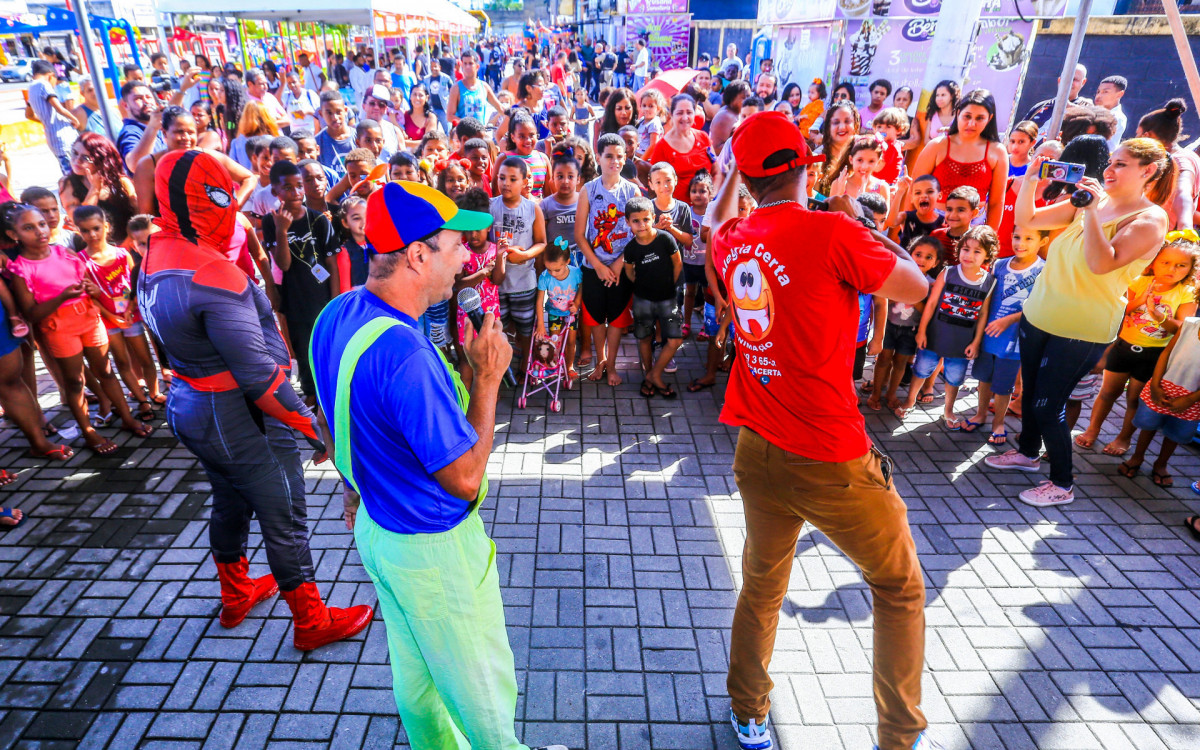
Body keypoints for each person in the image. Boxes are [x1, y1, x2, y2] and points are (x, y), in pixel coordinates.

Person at [308, 180, 568, 750]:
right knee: (483, 695)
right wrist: (489, 378)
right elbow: (466, 479)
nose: (467, 260)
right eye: (455, 246)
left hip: (379, 535)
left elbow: (332, 415)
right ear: (418, 255)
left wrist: (355, 487)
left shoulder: (336, 312)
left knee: (419, 679)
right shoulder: (405, 354)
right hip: (433, 551)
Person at [708, 111, 933, 750]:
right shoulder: (833, 231)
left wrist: (734, 177)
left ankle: (748, 711)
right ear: (807, 164)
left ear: (747, 176)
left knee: (761, 585)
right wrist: (861, 223)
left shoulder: (735, 237)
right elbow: (916, 286)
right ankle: (899, 736)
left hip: (756, 445)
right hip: (829, 454)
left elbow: (717, 220)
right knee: (899, 587)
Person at [138, 148, 371, 648]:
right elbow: (260, 378)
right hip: (240, 416)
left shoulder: (155, 252)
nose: (235, 204)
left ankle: (236, 592)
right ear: (208, 201)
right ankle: (310, 621)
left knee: (230, 501)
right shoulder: (212, 273)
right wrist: (316, 428)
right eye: (223, 195)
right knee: (284, 515)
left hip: (192, 404)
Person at [985, 139, 1174, 507]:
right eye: (1111, 162)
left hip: (1081, 329)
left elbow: (1101, 264)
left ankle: (1062, 483)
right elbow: (1029, 220)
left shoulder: (1149, 219)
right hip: (1039, 315)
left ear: (1148, 171)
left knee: (1047, 404)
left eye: (1121, 164)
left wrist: (1090, 213)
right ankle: (1027, 454)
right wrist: (1030, 181)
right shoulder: (1094, 200)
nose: (1109, 170)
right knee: (1031, 393)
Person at [1074, 238, 1198, 455]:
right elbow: (1118, 312)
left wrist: (1158, 316)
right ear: (1153, 261)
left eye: (1181, 265)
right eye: (1166, 262)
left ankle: (1123, 438)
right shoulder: (1138, 281)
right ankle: (1092, 429)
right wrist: (1140, 301)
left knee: (1134, 399)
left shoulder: (1187, 292)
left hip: (1155, 354)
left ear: (1190, 268)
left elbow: (1182, 328)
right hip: (1123, 347)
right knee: (1107, 392)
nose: (1172, 269)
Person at [905, 225, 999, 428]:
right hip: (934, 336)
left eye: (977, 251)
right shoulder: (948, 273)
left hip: (961, 343)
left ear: (987, 255)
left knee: (954, 378)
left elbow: (983, 314)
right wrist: (922, 331)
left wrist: (976, 342)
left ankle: (948, 410)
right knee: (921, 369)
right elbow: (931, 304)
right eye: (966, 249)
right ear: (959, 249)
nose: (969, 255)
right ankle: (909, 401)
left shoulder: (989, 282)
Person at [967, 227, 1047, 443]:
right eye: (1017, 237)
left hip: (1015, 340)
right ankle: (980, 414)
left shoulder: (1044, 270)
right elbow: (987, 298)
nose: (1021, 243)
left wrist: (1009, 319)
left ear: (1043, 241)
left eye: (1029, 238)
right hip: (989, 335)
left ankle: (998, 423)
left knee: (1003, 386)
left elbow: (1041, 306)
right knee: (984, 378)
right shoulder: (999, 265)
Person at [575, 133, 639, 386]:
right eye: (609, 156)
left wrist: (618, 264)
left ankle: (611, 365)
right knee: (595, 317)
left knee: (616, 319)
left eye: (620, 156)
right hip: (594, 268)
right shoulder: (588, 190)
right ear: (599, 157)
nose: (615, 161)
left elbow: (638, 232)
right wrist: (599, 266)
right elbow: (580, 236)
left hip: (622, 268)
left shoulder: (631, 190)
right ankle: (600, 361)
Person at [869, 236, 941, 412]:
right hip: (889, 325)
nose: (922, 260)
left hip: (911, 330)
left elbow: (927, 311)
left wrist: (914, 298)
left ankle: (891, 394)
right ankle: (875, 394)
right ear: (909, 254)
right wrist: (905, 294)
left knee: (900, 363)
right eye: (918, 254)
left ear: (936, 263)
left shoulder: (932, 285)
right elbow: (884, 298)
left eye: (929, 257)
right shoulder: (898, 274)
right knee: (883, 359)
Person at [491, 156, 547, 374]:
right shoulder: (490, 206)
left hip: (524, 282)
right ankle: (501, 367)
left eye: (513, 179)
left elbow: (541, 242)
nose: (506, 183)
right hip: (496, 284)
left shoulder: (533, 209)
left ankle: (525, 364)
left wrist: (524, 255)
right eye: (502, 178)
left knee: (525, 328)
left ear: (525, 182)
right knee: (499, 327)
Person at [622, 195, 683, 397]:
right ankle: (649, 374)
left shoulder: (665, 239)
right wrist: (642, 286)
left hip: (667, 298)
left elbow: (677, 264)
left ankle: (653, 376)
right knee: (645, 338)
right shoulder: (631, 248)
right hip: (643, 300)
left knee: (674, 340)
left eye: (646, 219)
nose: (642, 225)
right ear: (628, 222)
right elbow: (629, 272)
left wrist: (669, 286)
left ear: (653, 218)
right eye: (636, 221)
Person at [1137, 99, 1199, 231]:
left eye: (1137, 135)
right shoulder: (1177, 156)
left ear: (1147, 136)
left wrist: (1185, 231)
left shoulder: (1180, 160)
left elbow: (1183, 193)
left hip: (1165, 237)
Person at [645, 95, 714, 204]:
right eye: (680, 113)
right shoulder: (662, 147)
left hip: (707, 208)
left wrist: (713, 195)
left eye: (689, 112)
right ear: (671, 115)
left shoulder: (703, 138)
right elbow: (654, 183)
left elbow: (717, 170)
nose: (685, 117)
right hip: (678, 210)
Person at [25, 60, 80, 174]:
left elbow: (28, 115)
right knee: (75, 175)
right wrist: (74, 119)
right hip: (64, 137)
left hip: (53, 140)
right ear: (51, 75)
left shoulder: (31, 88)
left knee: (68, 174)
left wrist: (46, 121)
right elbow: (59, 108)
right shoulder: (44, 85)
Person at [1022, 63, 1092, 135]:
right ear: (1059, 80)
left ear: (1083, 82)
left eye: (1074, 79)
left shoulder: (1086, 111)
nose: (1069, 82)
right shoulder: (1040, 107)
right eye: (1066, 78)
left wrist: (1073, 108)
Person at [116, 80, 166, 174]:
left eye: (148, 97)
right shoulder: (130, 132)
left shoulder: (156, 126)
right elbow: (135, 165)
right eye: (138, 98)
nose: (146, 102)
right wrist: (152, 128)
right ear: (125, 105)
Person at [245, 68, 291, 133]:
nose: (265, 87)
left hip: (277, 137)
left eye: (266, 83)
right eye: (261, 84)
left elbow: (287, 120)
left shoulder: (269, 97)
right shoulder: (245, 101)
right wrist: (275, 120)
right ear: (250, 84)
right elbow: (254, 127)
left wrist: (267, 123)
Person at [710, 80, 750, 154]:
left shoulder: (737, 113)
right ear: (732, 98)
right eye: (744, 97)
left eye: (749, 97)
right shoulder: (725, 116)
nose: (748, 101)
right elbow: (715, 148)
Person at [1094, 75, 1128, 151]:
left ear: (1119, 94)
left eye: (1105, 92)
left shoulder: (1117, 117)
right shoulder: (1094, 112)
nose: (1099, 96)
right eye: (1098, 92)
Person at [424, 58, 455, 134]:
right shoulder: (426, 79)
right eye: (432, 67)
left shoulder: (446, 78)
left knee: (447, 131)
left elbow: (453, 91)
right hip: (432, 109)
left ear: (439, 67)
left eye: (435, 66)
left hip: (444, 109)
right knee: (433, 132)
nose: (434, 69)